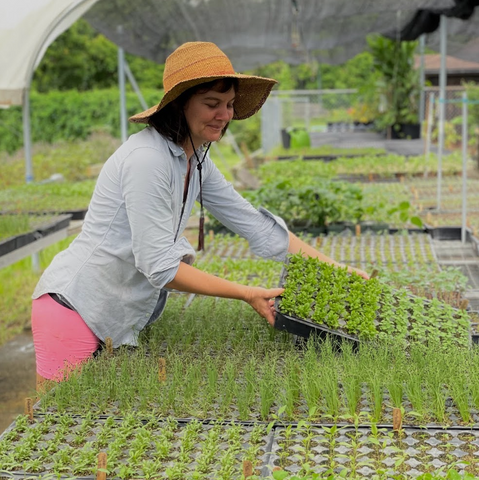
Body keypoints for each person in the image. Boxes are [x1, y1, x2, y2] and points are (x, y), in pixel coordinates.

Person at [31, 41, 368, 388]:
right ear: (180, 105)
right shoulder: (147, 160)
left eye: (230, 105)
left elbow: (256, 226)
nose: (225, 115)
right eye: (212, 104)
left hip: (116, 313)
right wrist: (247, 292)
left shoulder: (196, 159)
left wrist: (340, 271)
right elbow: (161, 266)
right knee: (61, 425)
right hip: (75, 310)